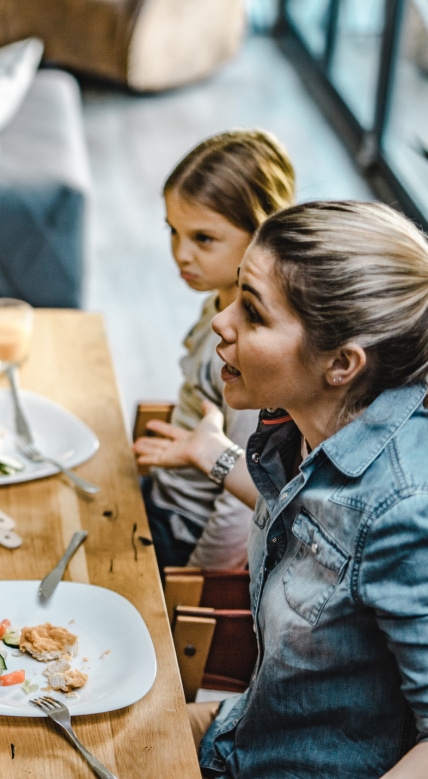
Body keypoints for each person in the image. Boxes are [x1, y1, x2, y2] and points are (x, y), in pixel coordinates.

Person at [196, 200, 428, 776]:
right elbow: (317, 533)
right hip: (242, 740)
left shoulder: (408, 507)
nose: (221, 322)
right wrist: (214, 459)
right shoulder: (297, 426)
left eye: (252, 312)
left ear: (342, 365)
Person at [133, 129, 295, 570]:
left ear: (262, 234)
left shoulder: (250, 351)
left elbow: (245, 502)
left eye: (203, 238)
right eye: (173, 231)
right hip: (164, 496)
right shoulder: (220, 300)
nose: (180, 254)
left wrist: (193, 583)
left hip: (184, 534)